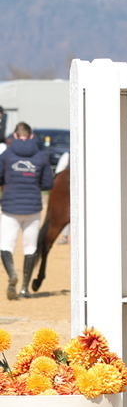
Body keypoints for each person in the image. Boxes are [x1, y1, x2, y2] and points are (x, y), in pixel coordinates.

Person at [0, 122, 54, 299]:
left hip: (10, 208)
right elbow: (47, 184)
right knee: (30, 247)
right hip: (33, 209)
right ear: (31, 136)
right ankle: (24, 289)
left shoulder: (6, 155)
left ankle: (12, 275)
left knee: (6, 245)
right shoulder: (41, 157)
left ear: (15, 136)